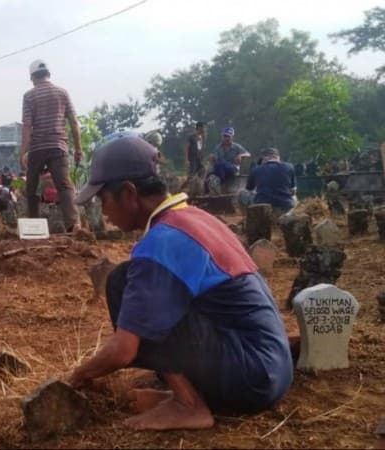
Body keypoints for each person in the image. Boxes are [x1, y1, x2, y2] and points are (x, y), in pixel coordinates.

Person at [68, 136, 292, 431]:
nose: (103, 211)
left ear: (128, 193)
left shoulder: (162, 242)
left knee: (123, 284)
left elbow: (124, 350)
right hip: (272, 369)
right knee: (139, 286)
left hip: (250, 377)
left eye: (102, 199)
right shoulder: (194, 217)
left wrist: (77, 376)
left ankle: (188, 404)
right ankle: (190, 393)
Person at [20, 59, 82, 232]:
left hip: (38, 147)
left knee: (32, 187)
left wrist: (23, 152)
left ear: (32, 77)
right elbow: (74, 123)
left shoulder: (29, 96)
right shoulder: (62, 93)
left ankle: (32, 227)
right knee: (64, 186)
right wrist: (78, 149)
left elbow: (27, 125)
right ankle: (74, 225)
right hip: (58, 146)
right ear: (49, 74)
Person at [245, 148, 296, 216]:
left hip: (262, 207)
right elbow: (293, 191)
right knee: (295, 197)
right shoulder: (289, 167)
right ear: (278, 157)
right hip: (285, 206)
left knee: (242, 194)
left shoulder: (256, 169)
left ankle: (247, 216)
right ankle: (288, 216)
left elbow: (249, 189)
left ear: (263, 158)